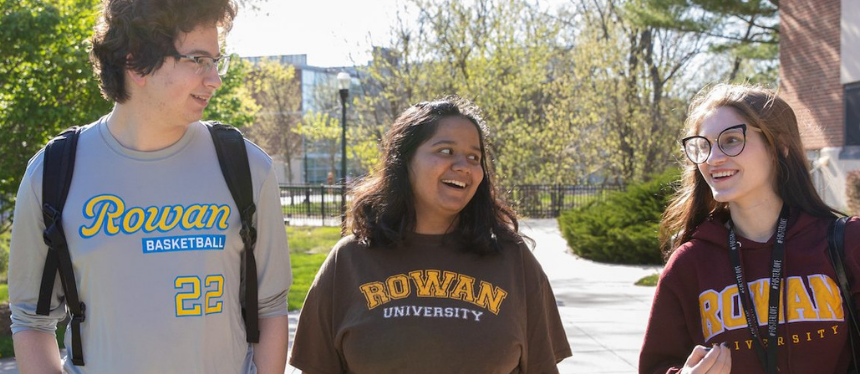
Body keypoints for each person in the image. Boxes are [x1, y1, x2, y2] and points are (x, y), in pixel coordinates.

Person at [8, 0, 291, 373]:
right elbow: (31, 319)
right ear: (136, 62)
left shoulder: (245, 167)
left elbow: (270, 306)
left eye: (216, 61)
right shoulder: (54, 173)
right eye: (198, 60)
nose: (215, 80)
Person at [288, 96, 571, 373]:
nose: (463, 166)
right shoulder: (349, 261)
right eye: (446, 151)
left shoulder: (513, 260)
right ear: (404, 160)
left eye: (475, 157)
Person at [639, 83, 860, 374]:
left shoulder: (847, 243)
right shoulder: (690, 264)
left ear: (779, 145)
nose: (713, 158)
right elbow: (657, 365)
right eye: (703, 146)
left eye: (731, 140)